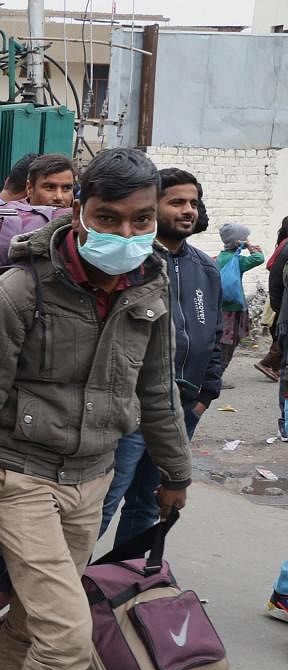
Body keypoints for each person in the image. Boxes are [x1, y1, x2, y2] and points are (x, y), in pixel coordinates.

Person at [0, 148, 191, 670]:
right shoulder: (17, 292)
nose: (127, 235)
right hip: (16, 475)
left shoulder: (150, 288)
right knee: (65, 637)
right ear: (77, 211)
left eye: (141, 220)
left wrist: (176, 472)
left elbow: (158, 389)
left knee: (32, 626)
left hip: (92, 477)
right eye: (109, 218)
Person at [99, 168, 223, 543]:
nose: (188, 210)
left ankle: (123, 585)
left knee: (149, 506)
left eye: (192, 202)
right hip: (130, 412)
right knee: (101, 504)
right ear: (152, 208)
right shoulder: (132, 263)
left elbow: (216, 336)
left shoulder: (206, 269)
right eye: (177, 202)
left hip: (182, 411)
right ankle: (69, 591)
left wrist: (205, 395)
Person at [215, 222, 265, 379]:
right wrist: (250, 246)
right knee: (228, 343)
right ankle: (217, 375)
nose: (248, 240)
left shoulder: (220, 258)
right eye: (246, 238)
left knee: (221, 342)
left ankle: (214, 373)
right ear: (238, 241)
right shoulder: (237, 261)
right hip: (233, 308)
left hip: (220, 308)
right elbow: (259, 258)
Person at [255, 215, 288, 381]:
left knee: (280, 334)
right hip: (281, 299)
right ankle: (268, 364)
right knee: (282, 335)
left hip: (278, 298)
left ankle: (275, 366)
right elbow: (273, 269)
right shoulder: (287, 245)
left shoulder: (283, 244)